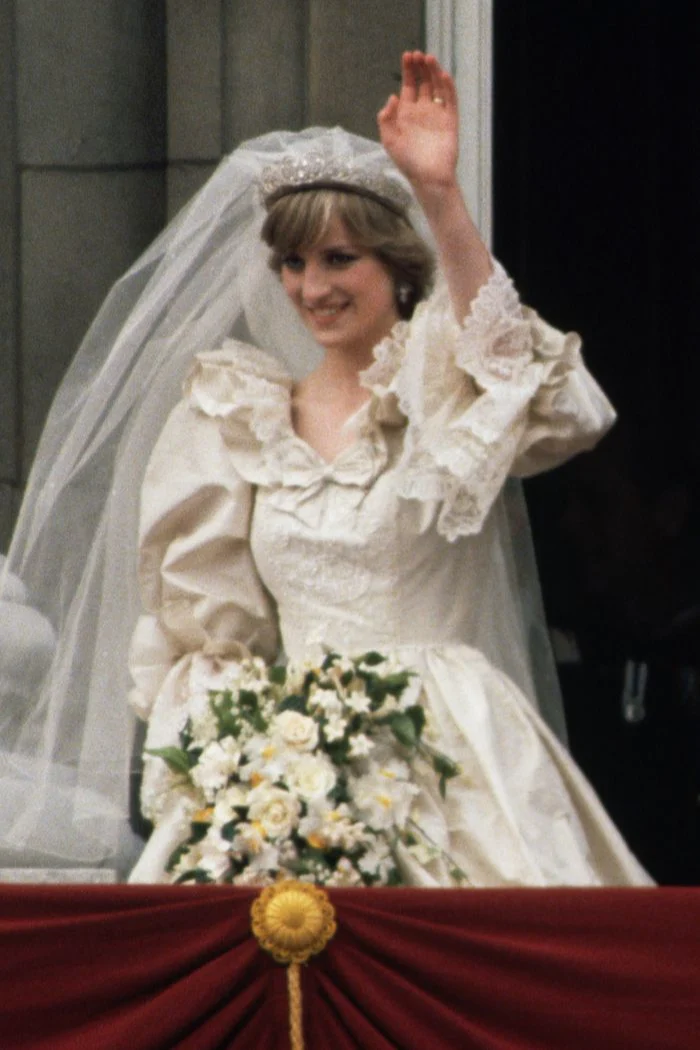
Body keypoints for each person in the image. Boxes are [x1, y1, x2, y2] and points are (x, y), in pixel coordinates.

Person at [0, 53, 650, 886]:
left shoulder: (445, 398)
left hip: (457, 762)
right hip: (287, 767)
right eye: (295, 264)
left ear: (397, 269)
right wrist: (239, 766)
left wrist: (442, 196)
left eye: (340, 260)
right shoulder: (233, 422)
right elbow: (206, 645)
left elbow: (567, 410)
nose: (312, 287)